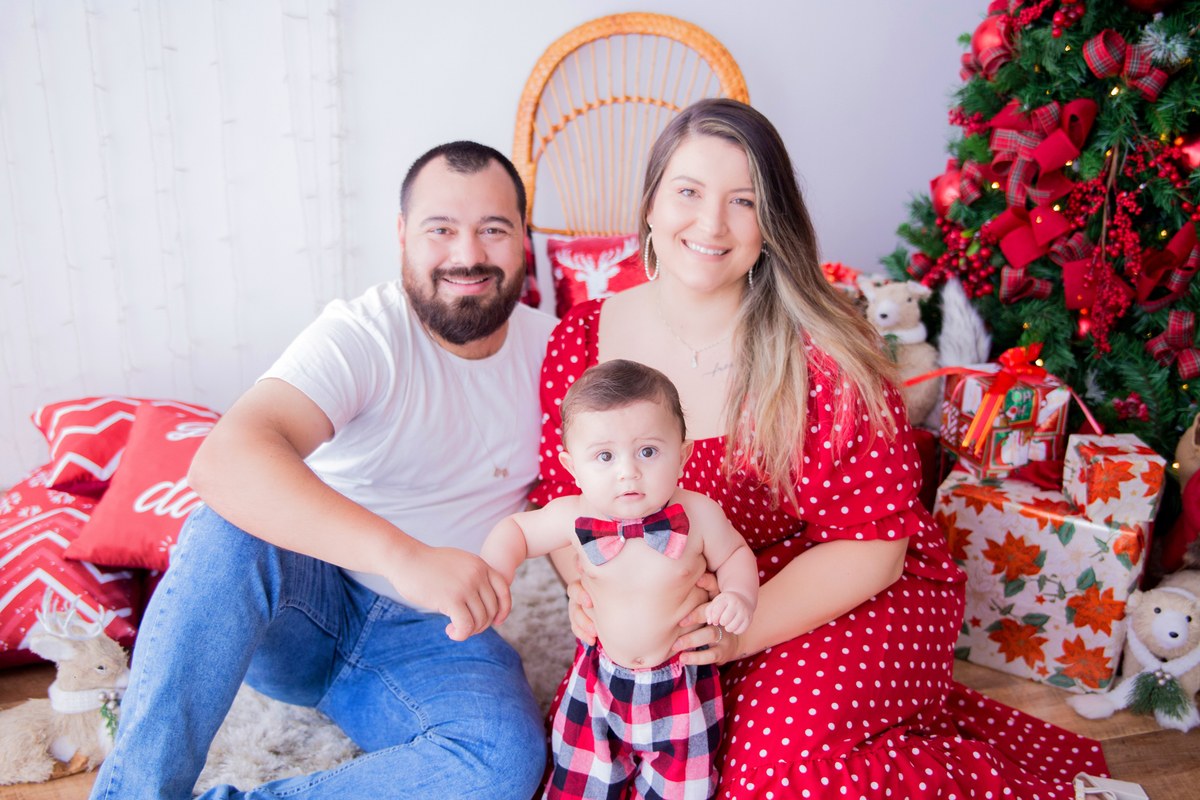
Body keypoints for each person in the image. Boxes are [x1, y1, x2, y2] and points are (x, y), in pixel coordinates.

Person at [531, 99, 1107, 800]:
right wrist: (587, 587)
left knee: (775, 776)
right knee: (599, 767)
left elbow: (874, 545)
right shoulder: (584, 341)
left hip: (845, 582)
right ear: (651, 201)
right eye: (687, 191)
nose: (711, 224)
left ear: (772, 223)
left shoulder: (824, 355)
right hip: (686, 603)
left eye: (743, 201)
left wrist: (739, 637)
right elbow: (558, 500)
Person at [89, 141, 555, 800]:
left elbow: (591, 490)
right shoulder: (363, 333)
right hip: (309, 602)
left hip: (438, 634)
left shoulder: (556, 352)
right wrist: (403, 556)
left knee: (500, 761)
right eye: (441, 229)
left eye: (494, 229)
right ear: (401, 238)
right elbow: (226, 457)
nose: (468, 254)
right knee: (231, 525)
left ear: (523, 241)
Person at [480, 359, 758, 800]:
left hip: (681, 684)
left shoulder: (699, 514)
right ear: (571, 466)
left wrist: (740, 594)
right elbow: (515, 530)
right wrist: (495, 571)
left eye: (648, 451)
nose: (627, 471)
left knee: (682, 787)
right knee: (580, 781)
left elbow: (736, 554)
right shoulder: (574, 515)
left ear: (683, 453)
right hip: (599, 682)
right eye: (604, 456)